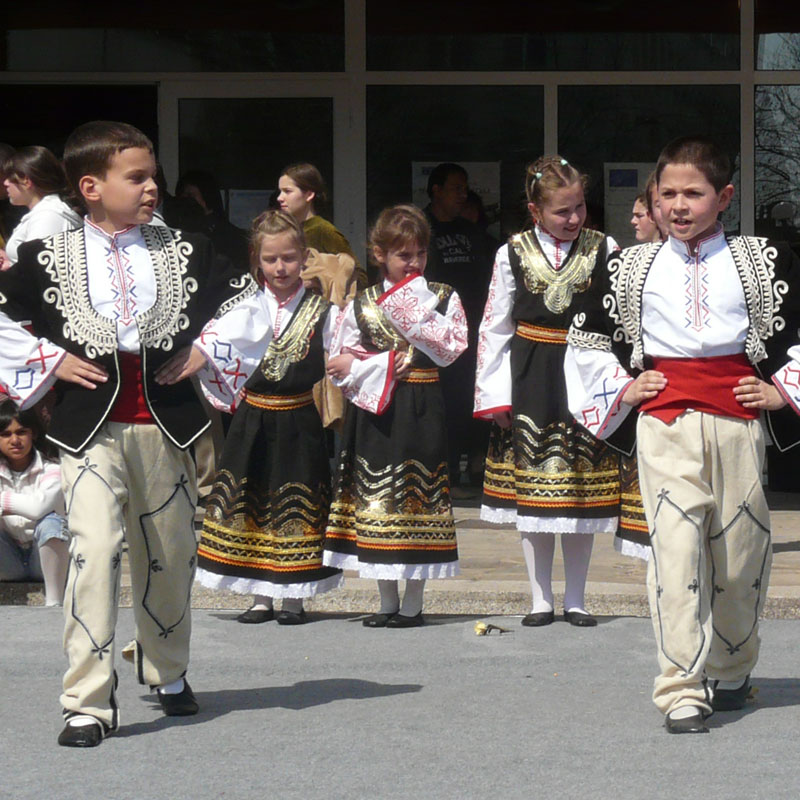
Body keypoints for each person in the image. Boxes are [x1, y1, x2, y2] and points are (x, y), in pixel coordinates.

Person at [0, 120, 258, 748]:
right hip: (89, 432)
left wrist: (206, 350)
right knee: (92, 551)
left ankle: (165, 670)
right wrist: (49, 360)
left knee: (168, 556)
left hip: (169, 428)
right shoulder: (43, 255)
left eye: (153, 177)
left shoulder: (187, 249)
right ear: (90, 186)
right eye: (136, 177)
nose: (150, 189)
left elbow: (251, 301)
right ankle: (86, 698)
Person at [564, 134, 800, 734]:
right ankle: (680, 688)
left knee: (741, 549)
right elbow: (586, 339)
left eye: (693, 193)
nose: (678, 204)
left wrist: (784, 390)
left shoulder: (763, 259)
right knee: (674, 548)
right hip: (665, 420)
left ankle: (732, 664)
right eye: (666, 192)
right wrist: (623, 387)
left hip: (738, 417)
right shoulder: (628, 266)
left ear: (723, 197)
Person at [474, 156, 641, 629]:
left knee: (582, 493)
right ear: (534, 210)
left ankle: (578, 597)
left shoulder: (604, 246)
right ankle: (539, 597)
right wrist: (494, 396)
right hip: (531, 377)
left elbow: (622, 316)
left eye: (579, 207)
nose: (573, 218)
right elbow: (495, 325)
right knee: (536, 494)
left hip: (587, 374)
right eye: (561, 211)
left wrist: (621, 381)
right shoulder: (511, 252)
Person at [194, 210, 342, 624]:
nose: (281, 268)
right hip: (252, 419)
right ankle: (260, 595)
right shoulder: (242, 309)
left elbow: (344, 354)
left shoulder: (322, 311)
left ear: (304, 257)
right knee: (253, 499)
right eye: (271, 259)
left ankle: (293, 595)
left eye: (289, 258)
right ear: (256, 261)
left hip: (299, 420)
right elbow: (211, 351)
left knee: (293, 502)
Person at [323, 204, 468, 627]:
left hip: (423, 406)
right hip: (376, 409)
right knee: (377, 500)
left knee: (416, 498)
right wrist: (380, 365)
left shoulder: (441, 295)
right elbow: (340, 361)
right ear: (380, 254)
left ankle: (413, 603)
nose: (414, 263)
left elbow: (453, 348)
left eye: (420, 253)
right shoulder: (362, 302)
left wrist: (413, 317)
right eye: (404, 255)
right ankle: (386, 598)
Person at [424, 163, 494, 489]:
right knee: (446, 402)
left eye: (465, 188)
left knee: (474, 397)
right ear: (436, 190)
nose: (462, 194)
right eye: (455, 188)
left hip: (475, 330)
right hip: (437, 335)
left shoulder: (473, 232)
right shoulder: (422, 229)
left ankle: (478, 466)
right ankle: (446, 469)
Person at [0, 398, 69, 606]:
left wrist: (3, 502)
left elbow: (38, 508)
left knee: (51, 523)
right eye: (5, 434)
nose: (15, 440)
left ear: (34, 434)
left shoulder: (53, 469)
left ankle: (54, 602)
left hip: (44, 561)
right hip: (9, 561)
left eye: (21, 432)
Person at [277, 162, 366, 287]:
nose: (280, 198)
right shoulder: (286, 230)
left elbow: (360, 277)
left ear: (309, 195)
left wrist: (319, 281)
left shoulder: (323, 230)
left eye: (287, 191)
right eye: (280, 191)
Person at [0, 146, 82, 268]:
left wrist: (9, 268)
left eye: (11, 178)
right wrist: (9, 263)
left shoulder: (47, 217)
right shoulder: (44, 214)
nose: (6, 183)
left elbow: (36, 270)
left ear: (26, 181)